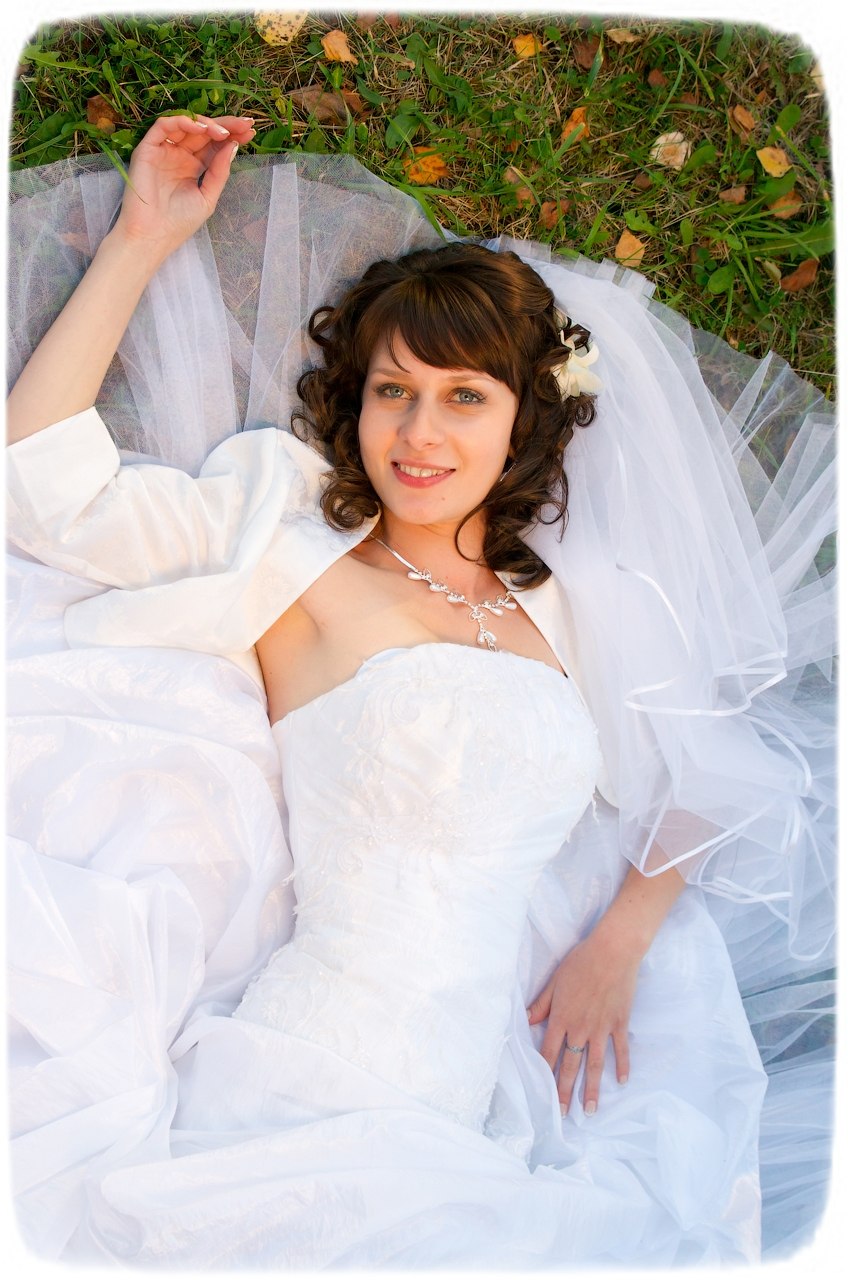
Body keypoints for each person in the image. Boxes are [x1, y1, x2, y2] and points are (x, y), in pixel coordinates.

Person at [6, 114, 835, 1267]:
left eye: (463, 397)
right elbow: (40, 483)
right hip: (300, 1085)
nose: (418, 432)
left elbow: (704, 771)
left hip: (479, 1111)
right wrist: (143, 236)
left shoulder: (560, 607)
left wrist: (615, 943)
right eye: (392, 389)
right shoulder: (291, 547)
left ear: (523, 417)